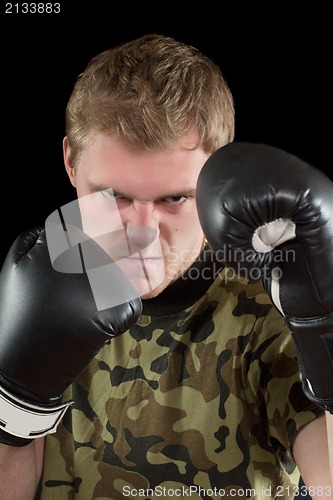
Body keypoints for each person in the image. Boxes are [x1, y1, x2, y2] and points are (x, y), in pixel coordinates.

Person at [0, 33, 332, 500]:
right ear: (71, 165)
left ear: (217, 183)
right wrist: (15, 406)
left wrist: (325, 325)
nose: (142, 232)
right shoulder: (22, 296)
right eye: (113, 196)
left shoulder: (269, 310)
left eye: (175, 198)